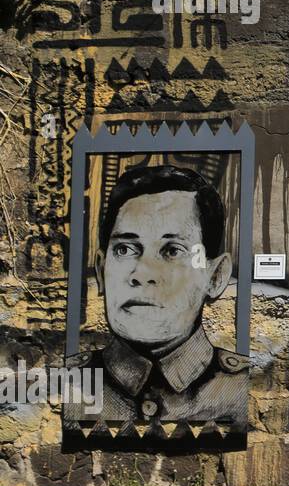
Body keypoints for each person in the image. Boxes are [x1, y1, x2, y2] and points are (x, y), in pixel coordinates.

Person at [64, 164, 248, 428]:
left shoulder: (239, 388)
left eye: (172, 250)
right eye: (125, 249)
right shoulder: (72, 384)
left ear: (215, 276)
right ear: (102, 272)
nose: (142, 273)